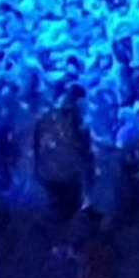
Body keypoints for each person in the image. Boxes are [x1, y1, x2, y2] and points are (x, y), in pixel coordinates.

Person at [34, 85, 93, 220]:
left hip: (48, 174)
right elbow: (85, 154)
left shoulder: (45, 117)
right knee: (65, 213)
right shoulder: (79, 124)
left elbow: (36, 144)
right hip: (67, 177)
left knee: (56, 212)